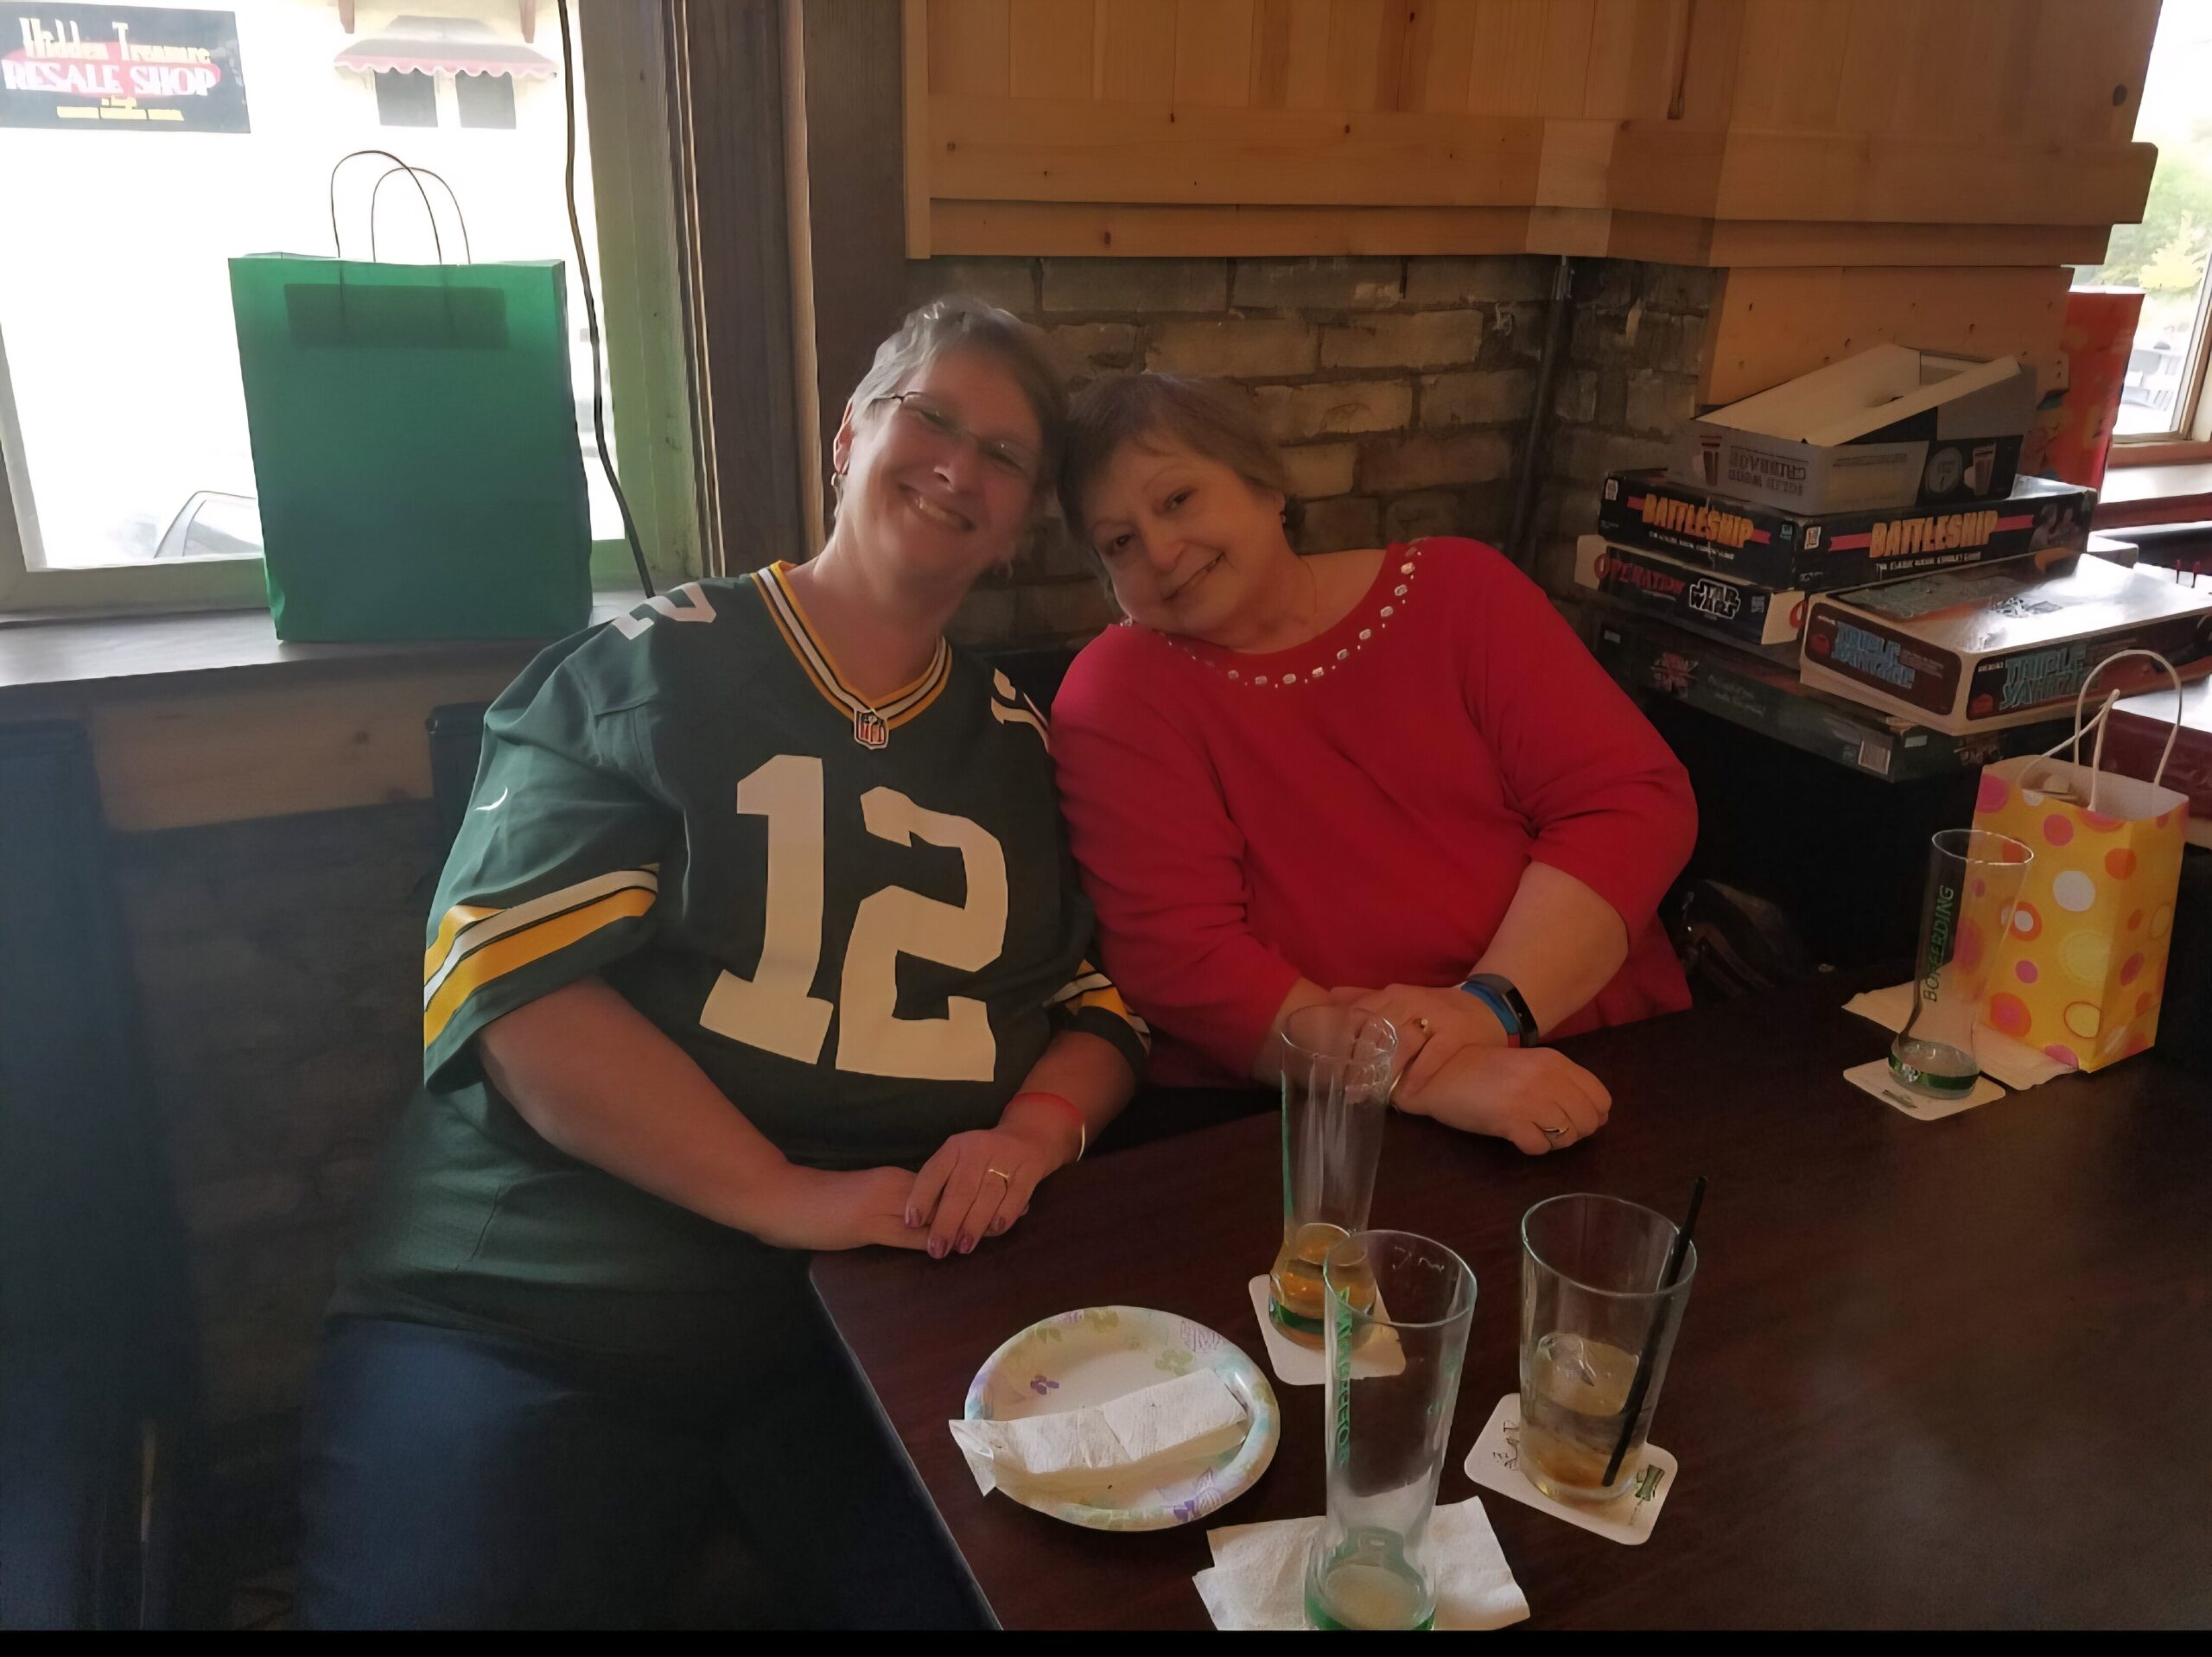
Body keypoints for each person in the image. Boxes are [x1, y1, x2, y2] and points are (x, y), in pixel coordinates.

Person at [297, 298, 1147, 1629]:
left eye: (1004, 455)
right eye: (930, 416)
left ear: (1020, 520)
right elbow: (524, 995)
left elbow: (1089, 1001)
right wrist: (781, 1192)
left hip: (873, 1313)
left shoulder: (1012, 742)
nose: (957, 466)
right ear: (849, 434)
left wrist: (1030, 1136)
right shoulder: (640, 671)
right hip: (539, 1299)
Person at [1051, 373, 1695, 1157]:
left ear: (1266, 486)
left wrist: (1486, 1011)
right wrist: (1402, 1070)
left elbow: (1628, 803)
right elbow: (1180, 958)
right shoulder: (1119, 691)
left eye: (1178, 499)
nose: (1159, 550)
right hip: (1307, 1115)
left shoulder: (1462, 589)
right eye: (1119, 542)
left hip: (1592, 1050)